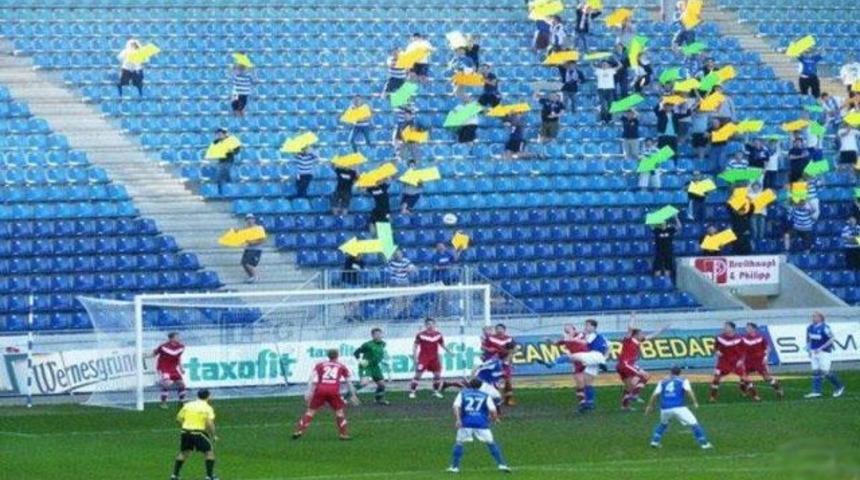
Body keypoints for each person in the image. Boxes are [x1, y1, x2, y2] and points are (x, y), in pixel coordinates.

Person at [447, 378, 511, 474]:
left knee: (459, 443)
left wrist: (458, 419)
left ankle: (455, 467)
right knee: (491, 443)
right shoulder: (485, 396)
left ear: (469, 385)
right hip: (481, 423)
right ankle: (502, 465)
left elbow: (456, 406)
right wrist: (494, 419)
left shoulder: (463, 393)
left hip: (466, 422)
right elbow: (493, 410)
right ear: (481, 386)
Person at [293, 349, 359, 440]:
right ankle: (343, 434)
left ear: (328, 356)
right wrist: (353, 394)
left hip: (320, 390)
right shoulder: (341, 366)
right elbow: (349, 382)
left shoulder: (320, 365)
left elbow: (311, 377)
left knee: (310, 412)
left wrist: (308, 391)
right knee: (339, 412)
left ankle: (299, 431)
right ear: (337, 356)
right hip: (333, 391)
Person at [645, 366, 713, 450]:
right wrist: (695, 402)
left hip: (665, 408)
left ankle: (654, 441)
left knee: (663, 424)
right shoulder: (683, 380)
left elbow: (655, 394)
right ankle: (704, 444)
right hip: (679, 407)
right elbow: (689, 391)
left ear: (670, 372)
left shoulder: (662, 381)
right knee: (694, 424)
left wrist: (649, 406)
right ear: (680, 373)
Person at [617, 322, 667, 410]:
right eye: (641, 334)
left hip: (624, 365)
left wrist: (662, 329)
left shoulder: (637, 341)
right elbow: (630, 328)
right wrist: (632, 317)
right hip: (626, 364)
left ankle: (625, 406)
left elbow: (651, 336)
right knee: (645, 376)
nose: (642, 335)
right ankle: (635, 394)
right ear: (635, 335)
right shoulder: (628, 340)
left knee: (630, 386)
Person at [171, 389, 218, 480]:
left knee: (184, 453)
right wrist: (214, 435)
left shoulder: (188, 405)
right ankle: (209, 476)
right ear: (208, 396)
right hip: (198, 433)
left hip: (185, 432)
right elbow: (209, 423)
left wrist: (187, 425)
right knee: (209, 453)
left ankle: (174, 475)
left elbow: (179, 418)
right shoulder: (207, 408)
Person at [567, 319, 608, 412]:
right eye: (585, 325)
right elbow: (608, 346)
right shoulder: (598, 336)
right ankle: (589, 403)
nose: (586, 327)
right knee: (587, 382)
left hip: (592, 357)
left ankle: (553, 363)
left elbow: (583, 342)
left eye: (588, 325)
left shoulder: (592, 335)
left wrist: (572, 338)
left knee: (570, 358)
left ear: (594, 327)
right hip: (593, 359)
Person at [804, 312, 845, 398]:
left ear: (820, 318)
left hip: (824, 352)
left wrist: (821, 348)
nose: (813, 318)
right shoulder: (810, 327)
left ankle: (839, 386)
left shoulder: (825, 328)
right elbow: (808, 339)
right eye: (812, 316)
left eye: (814, 316)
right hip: (814, 352)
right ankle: (816, 391)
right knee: (815, 371)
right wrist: (809, 350)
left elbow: (832, 338)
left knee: (825, 371)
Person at [410, 317, 452, 399]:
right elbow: (415, 346)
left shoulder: (438, 335)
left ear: (435, 324)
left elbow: (442, 344)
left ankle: (435, 392)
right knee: (418, 375)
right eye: (428, 324)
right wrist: (415, 357)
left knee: (437, 375)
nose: (430, 325)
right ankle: (412, 392)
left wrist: (449, 351)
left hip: (434, 358)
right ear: (425, 325)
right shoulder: (420, 335)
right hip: (423, 358)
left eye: (432, 324)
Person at [709, 321, 751, 402]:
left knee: (745, 378)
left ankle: (753, 395)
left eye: (726, 326)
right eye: (724, 326)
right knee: (716, 379)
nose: (724, 328)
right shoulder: (719, 337)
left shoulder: (739, 338)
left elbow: (744, 351)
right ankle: (712, 397)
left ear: (732, 328)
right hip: (723, 362)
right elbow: (714, 347)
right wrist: (716, 351)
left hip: (735, 362)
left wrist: (741, 360)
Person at [742, 322, 784, 401]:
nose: (746, 329)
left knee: (766, 378)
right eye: (746, 328)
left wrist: (765, 357)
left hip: (759, 361)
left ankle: (778, 388)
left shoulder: (761, 337)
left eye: (748, 327)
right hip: (748, 361)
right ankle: (755, 395)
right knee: (744, 377)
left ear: (753, 329)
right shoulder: (744, 338)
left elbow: (768, 348)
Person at [552, 324, 589, 407]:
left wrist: (568, 339)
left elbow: (580, 340)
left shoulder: (580, 334)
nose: (568, 331)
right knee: (579, 382)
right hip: (577, 361)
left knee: (585, 380)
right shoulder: (567, 339)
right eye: (566, 330)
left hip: (585, 358)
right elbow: (557, 343)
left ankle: (587, 401)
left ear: (574, 329)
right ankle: (582, 402)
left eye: (569, 329)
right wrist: (550, 341)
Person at [480, 324, 516, 406]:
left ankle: (508, 398)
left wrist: (509, 358)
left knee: (508, 380)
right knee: (494, 381)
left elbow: (514, 349)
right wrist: (489, 350)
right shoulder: (490, 338)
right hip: (494, 361)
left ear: (504, 330)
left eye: (501, 329)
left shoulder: (509, 339)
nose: (499, 330)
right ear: (495, 330)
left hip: (505, 362)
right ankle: (496, 398)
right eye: (497, 329)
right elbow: (483, 347)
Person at [354, 328, 390, 405]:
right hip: (366, 366)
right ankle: (347, 396)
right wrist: (360, 360)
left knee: (382, 384)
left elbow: (379, 355)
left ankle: (378, 400)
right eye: (376, 334)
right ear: (372, 336)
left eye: (380, 334)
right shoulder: (367, 345)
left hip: (375, 366)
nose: (379, 336)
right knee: (364, 383)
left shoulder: (383, 344)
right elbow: (356, 352)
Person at [153, 332, 187, 408]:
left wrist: (181, 368)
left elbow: (178, 357)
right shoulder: (163, 346)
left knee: (182, 384)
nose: (179, 338)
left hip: (173, 368)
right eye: (177, 337)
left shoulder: (181, 347)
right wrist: (144, 356)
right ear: (171, 338)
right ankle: (163, 403)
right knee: (167, 384)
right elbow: (154, 353)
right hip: (164, 368)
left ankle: (182, 401)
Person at [210, 128, 240, 195]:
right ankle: (220, 191)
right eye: (217, 134)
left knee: (227, 176)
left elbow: (237, 150)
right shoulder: (217, 141)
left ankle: (230, 191)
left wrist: (232, 151)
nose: (219, 135)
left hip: (229, 161)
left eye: (220, 134)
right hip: (221, 161)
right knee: (220, 176)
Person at [240, 214, 265, 283]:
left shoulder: (259, 228)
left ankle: (255, 276)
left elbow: (262, 240)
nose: (249, 220)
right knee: (243, 263)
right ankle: (251, 276)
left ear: (254, 219)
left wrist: (252, 242)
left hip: (256, 249)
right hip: (248, 248)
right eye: (248, 219)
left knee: (249, 263)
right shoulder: (245, 229)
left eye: (251, 219)